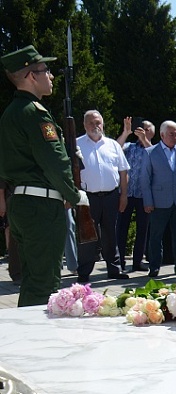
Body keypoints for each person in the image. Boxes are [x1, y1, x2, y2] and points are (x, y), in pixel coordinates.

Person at [0, 45, 88, 306]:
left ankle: (26, 339)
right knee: (45, 283)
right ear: (30, 76)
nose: (50, 76)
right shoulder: (34, 113)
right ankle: (37, 344)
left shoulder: (11, 113)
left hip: (23, 203)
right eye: (45, 70)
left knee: (33, 279)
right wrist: (74, 194)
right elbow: (54, 161)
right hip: (40, 206)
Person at [76, 110, 130, 283]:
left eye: (98, 122)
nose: (95, 126)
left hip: (111, 196)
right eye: (91, 123)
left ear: (103, 123)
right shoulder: (76, 145)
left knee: (110, 234)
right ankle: (84, 272)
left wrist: (124, 196)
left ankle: (114, 269)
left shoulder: (113, 145)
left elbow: (123, 171)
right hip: (87, 198)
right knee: (87, 236)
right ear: (84, 125)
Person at [140, 120, 176, 278]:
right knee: (156, 236)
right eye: (171, 134)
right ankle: (155, 267)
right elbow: (145, 179)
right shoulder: (150, 152)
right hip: (158, 202)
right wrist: (148, 201)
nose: (175, 137)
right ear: (162, 135)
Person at [116, 117, 154, 272]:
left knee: (142, 229)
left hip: (144, 195)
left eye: (146, 129)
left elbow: (155, 158)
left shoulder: (153, 148)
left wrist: (144, 140)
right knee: (121, 228)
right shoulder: (129, 146)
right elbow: (115, 148)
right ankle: (120, 260)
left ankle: (138, 261)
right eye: (141, 128)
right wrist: (126, 132)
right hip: (126, 193)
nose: (142, 131)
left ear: (151, 132)